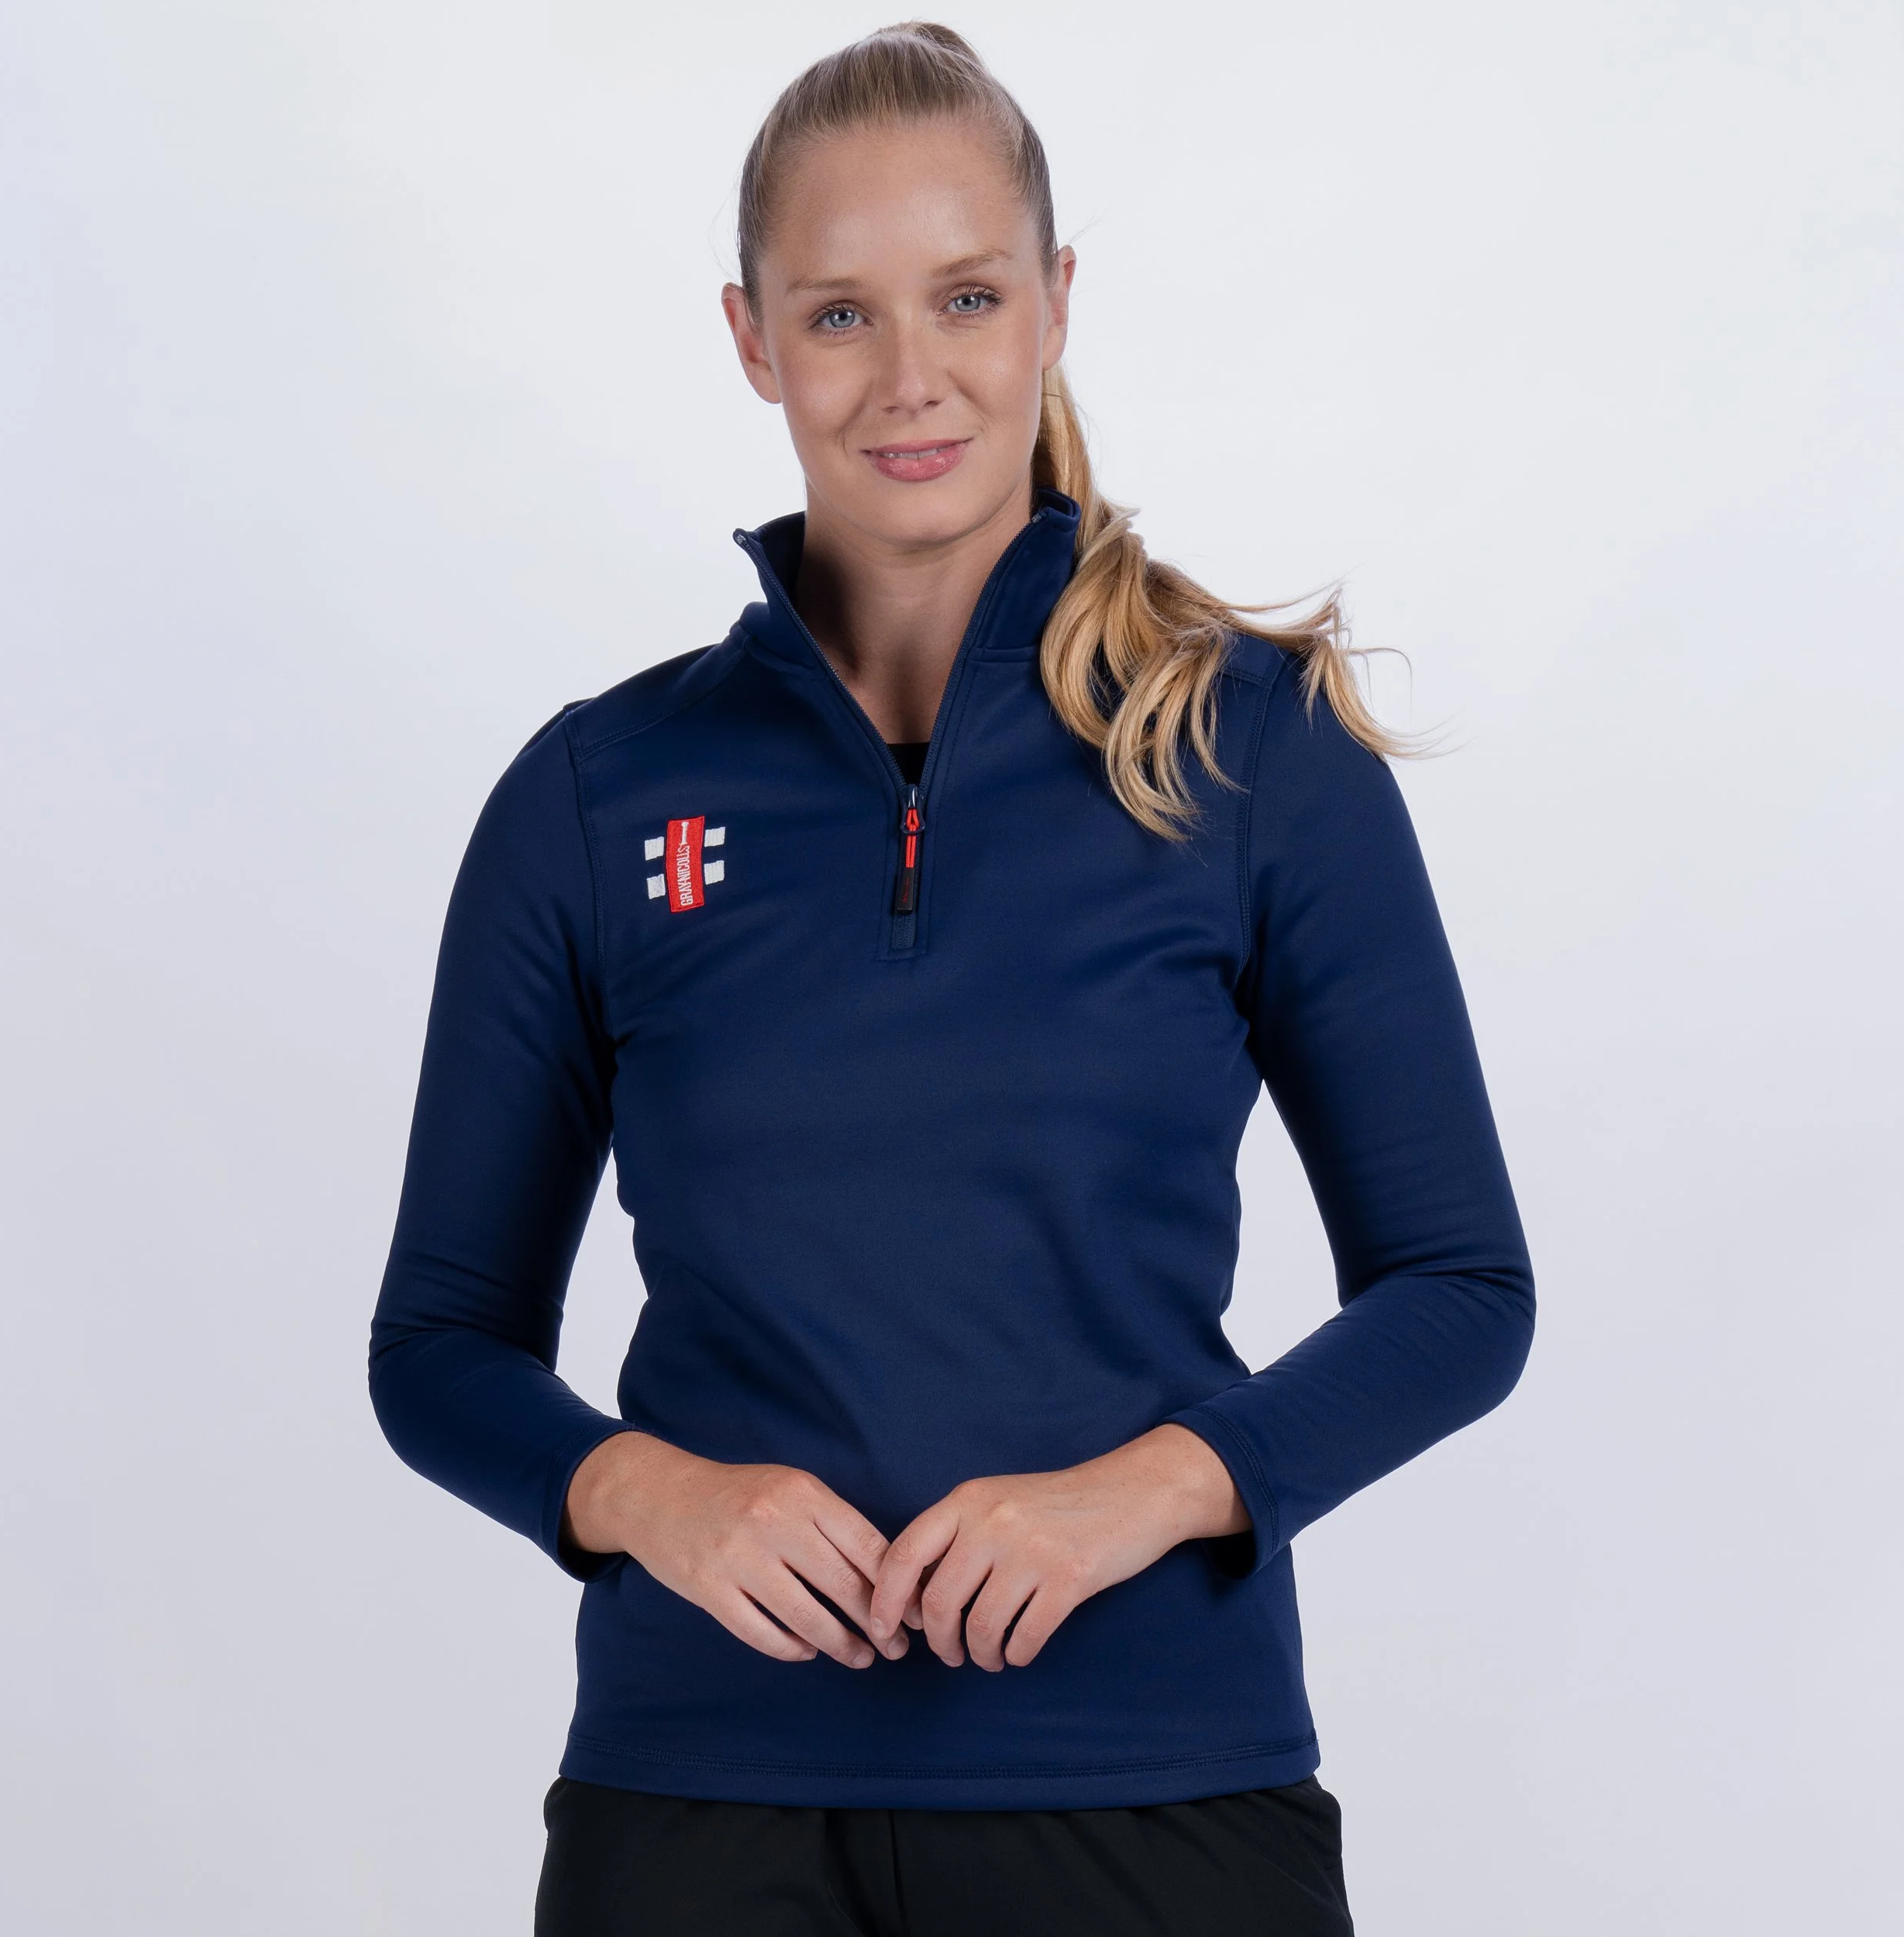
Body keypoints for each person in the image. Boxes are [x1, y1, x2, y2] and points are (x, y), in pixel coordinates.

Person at [368, 22, 1534, 1935]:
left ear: (1054, 303)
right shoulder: (597, 793)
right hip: (697, 1813)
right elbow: (438, 1345)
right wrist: (650, 1491)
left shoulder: (1248, 754)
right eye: (838, 313)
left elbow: (1459, 1288)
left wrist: (1151, 1485)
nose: (909, 375)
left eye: (967, 296)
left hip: (1156, 1799)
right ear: (751, 340)